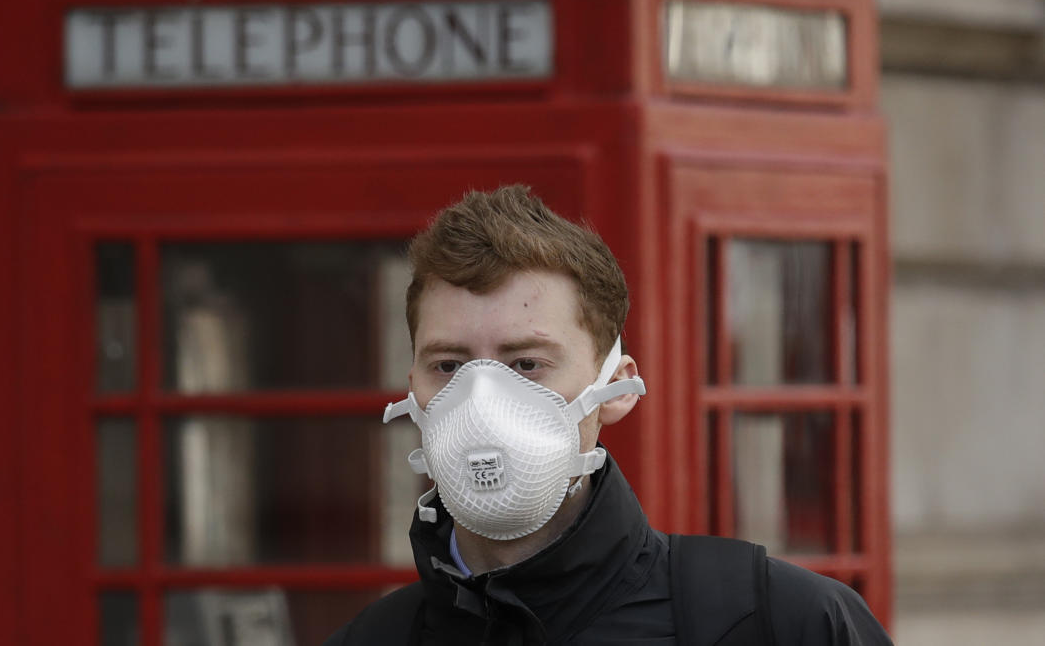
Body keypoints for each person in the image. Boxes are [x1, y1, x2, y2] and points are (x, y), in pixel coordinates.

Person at [324, 185, 893, 646]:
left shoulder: (786, 625)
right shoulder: (368, 639)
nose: (481, 401)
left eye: (527, 362)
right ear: (413, 393)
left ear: (616, 388)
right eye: (448, 366)